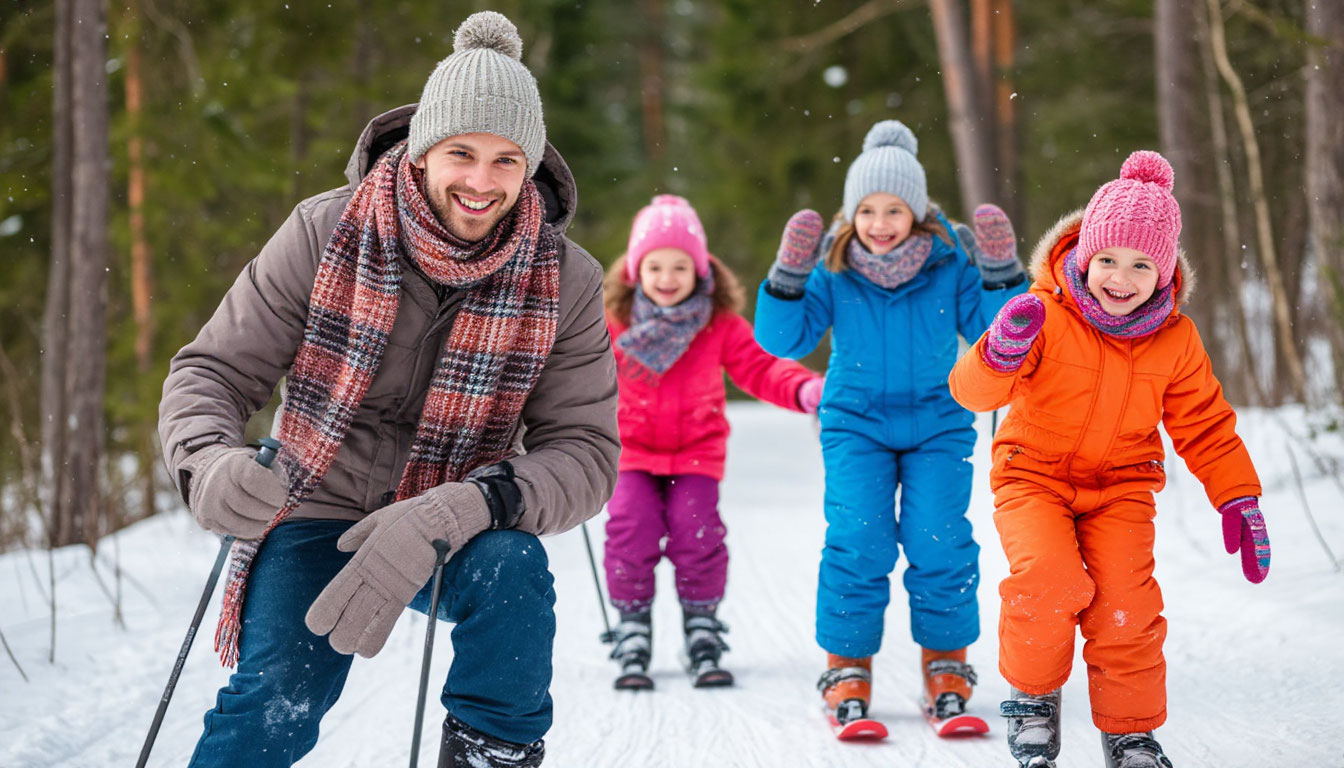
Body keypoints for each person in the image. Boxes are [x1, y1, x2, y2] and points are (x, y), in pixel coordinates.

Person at [157, 12, 618, 768]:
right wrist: (205, 461)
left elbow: (585, 449)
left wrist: (475, 503)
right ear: (422, 150)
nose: (481, 181)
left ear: (529, 167)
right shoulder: (324, 230)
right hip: (315, 502)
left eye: (507, 161)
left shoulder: (566, 279)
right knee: (274, 701)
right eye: (461, 153)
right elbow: (212, 372)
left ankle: (490, 753)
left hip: (455, 515)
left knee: (515, 573)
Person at [949, 150, 1271, 768]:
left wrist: (1238, 495)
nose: (1120, 277)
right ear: (1082, 255)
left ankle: (1129, 733)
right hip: (1032, 476)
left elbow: (1204, 424)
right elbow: (971, 393)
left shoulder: (1175, 338)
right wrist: (1000, 350)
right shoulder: (1043, 314)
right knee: (1049, 582)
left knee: (1127, 604)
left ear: (1165, 270)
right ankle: (1034, 698)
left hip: (1121, 487)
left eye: (1140, 263)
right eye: (1107, 259)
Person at [753, 119, 1028, 728]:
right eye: (869, 210)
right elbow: (781, 339)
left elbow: (995, 331)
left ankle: (947, 666)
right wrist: (788, 280)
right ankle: (846, 667)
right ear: (851, 213)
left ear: (918, 211)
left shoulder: (951, 261)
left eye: (895, 209)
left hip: (939, 421)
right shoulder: (833, 266)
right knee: (859, 540)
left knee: (940, 539)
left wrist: (1002, 275)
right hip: (856, 424)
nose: (880, 223)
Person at [600, 194, 824, 690]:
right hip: (632, 453)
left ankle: (702, 626)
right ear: (635, 270)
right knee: (630, 530)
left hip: (696, 454)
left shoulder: (718, 324)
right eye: (655, 265)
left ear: (701, 269)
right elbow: (575, 373)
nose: (667, 277)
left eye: (680, 265)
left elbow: (762, 366)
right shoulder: (612, 324)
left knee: (696, 533)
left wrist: (805, 388)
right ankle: (632, 625)